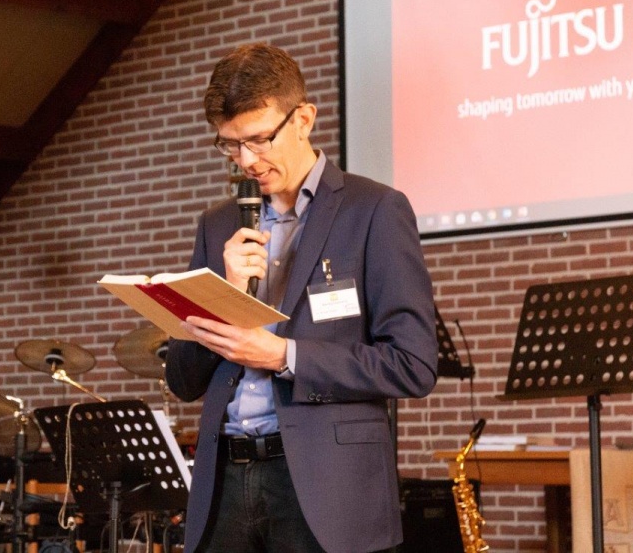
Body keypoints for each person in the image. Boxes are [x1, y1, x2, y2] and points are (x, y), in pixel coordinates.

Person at [165, 43, 438, 553]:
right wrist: (223, 295)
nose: (247, 161)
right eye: (230, 145)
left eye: (259, 139)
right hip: (224, 486)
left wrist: (284, 356)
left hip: (326, 490)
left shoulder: (374, 210)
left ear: (304, 119)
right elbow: (182, 380)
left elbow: (413, 364)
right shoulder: (217, 224)